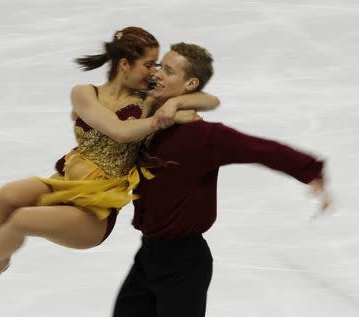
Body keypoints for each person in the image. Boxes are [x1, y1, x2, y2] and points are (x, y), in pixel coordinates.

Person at [0, 27, 220, 302]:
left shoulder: (150, 102)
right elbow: (117, 130)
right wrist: (160, 119)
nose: (154, 72)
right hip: (64, 183)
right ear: (125, 64)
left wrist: (174, 103)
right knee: (4, 197)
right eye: (149, 64)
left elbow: (210, 100)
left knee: (23, 218)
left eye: (158, 65)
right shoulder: (84, 93)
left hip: (94, 212)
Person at [105, 42, 332, 317]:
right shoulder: (148, 118)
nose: (158, 74)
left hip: (184, 263)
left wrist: (310, 171)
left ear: (190, 83)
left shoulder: (204, 138)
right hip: (148, 255)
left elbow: (260, 149)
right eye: (159, 66)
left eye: (168, 70)